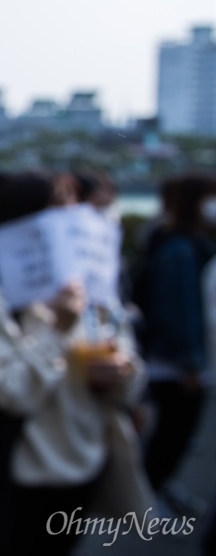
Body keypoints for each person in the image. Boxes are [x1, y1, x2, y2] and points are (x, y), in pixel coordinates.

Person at [0, 171, 146, 556]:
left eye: (74, 211)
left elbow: (129, 365)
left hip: (87, 466)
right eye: (58, 213)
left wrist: (121, 371)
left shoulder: (94, 288)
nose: (73, 225)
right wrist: (57, 330)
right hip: (22, 478)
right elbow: (11, 392)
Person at [137, 172, 216, 509]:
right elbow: (180, 310)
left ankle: (160, 489)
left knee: (173, 434)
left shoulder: (176, 241)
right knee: (172, 434)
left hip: (177, 359)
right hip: (177, 363)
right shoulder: (181, 249)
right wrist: (189, 363)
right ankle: (148, 499)